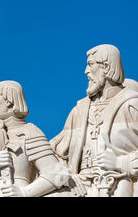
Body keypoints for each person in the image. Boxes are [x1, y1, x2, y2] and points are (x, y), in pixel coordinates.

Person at [51, 44, 138, 196]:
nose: (86, 71)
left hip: (118, 182)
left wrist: (121, 163)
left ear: (106, 67)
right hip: (80, 184)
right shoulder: (79, 111)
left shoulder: (131, 105)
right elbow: (54, 152)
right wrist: (67, 175)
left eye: (91, 65)